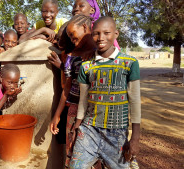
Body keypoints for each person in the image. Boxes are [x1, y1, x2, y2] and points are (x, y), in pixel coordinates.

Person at [70, 16, 141, 169]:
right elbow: (83, 101)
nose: (101, 38)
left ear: (116, 34)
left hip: (117, 134)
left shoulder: (129, 63)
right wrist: (76, 127)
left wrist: (135, 137)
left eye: (106, 33)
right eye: (96, 33)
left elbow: (135, 101)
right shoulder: (86, 67)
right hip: (89, 131)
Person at [49, 14, 96, 168]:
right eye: (68, 36)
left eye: (72, 34)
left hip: (95, 111)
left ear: (85, 27)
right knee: (74, 148)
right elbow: (67, 87)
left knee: (95, 152)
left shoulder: (100, 53)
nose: (71, 39)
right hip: (74, 111)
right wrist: (56, 115)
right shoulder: (71, 58)